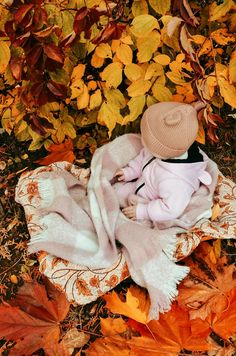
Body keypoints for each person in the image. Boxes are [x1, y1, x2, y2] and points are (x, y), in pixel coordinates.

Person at [114, 101, 212, 223]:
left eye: (146, 139)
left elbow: (171, 209)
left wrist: (143, 211)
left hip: (151, 201)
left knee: (118, 207)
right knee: (112, 192)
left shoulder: (175, 182)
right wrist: (130, 171)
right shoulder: (163, 149)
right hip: (142, 183)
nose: (142, 140)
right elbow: (144, 157)